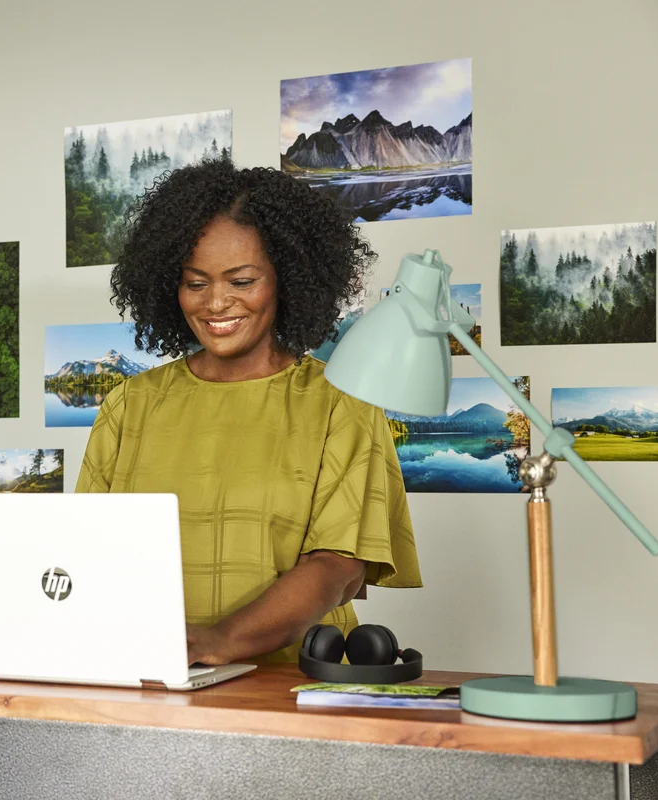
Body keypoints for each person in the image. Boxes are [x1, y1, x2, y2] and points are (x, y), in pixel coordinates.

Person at [75, 158, 421, 666]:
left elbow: (337, 567)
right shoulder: (131, 404)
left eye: (241, 280)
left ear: (288, 278)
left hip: (291, 687)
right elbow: (86, 550)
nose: (215, 303)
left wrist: (220, 642)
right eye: (195, 283)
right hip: (149, 673)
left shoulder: (340, 404)